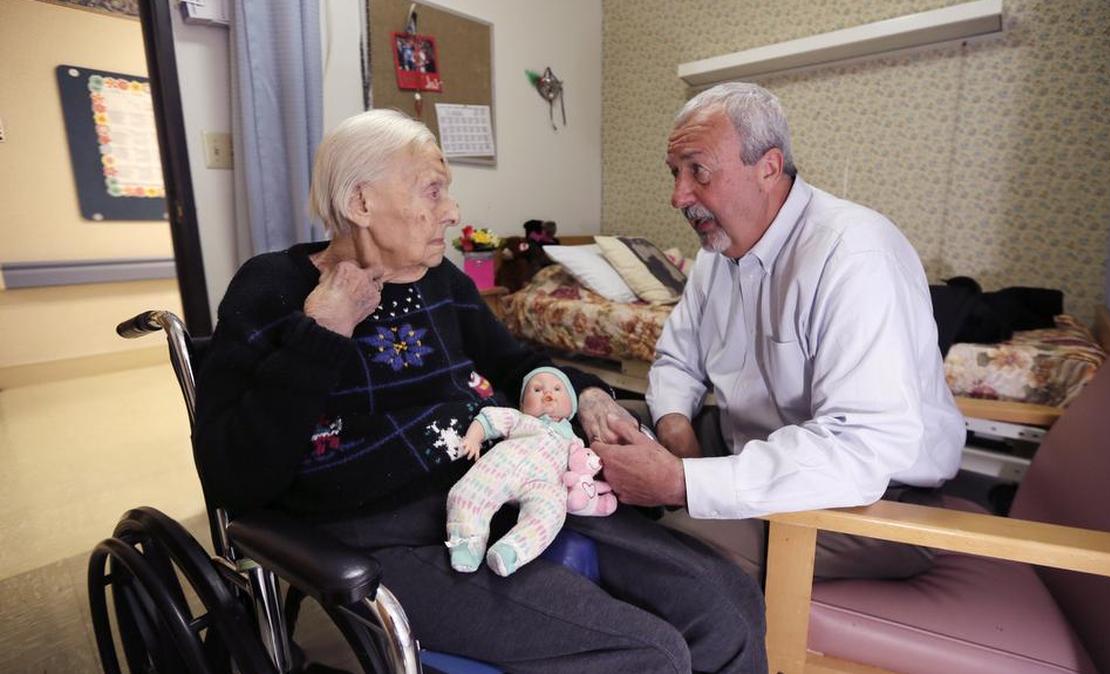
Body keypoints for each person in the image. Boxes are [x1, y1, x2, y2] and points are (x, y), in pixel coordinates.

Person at [194, 108, 765, 673]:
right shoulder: (273, 289)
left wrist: (588, 394)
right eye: (433, 190)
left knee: (727, 605)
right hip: (383, 534)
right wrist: (322, 332)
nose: (453, 211)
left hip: (508, 484)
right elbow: (233, 477)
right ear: (360, 202)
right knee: (648, 655)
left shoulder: (443, 281)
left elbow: (517, 364)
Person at [591, 82, 965, 581]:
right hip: (749, 448)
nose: (678, 196)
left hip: (866, 495)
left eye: (698, 171)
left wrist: (682, 482)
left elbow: (861, 448)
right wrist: (675, 428)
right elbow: (678, 360)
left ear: (767, 167)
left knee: (650, 545)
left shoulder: (854, 254)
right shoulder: (716, 256)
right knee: (593, 430)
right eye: (674, 173)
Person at [446, 367, 615, 577]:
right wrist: (473, 438)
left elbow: (582, 470)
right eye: (536, 389)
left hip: (544, 483)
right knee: (467, 492)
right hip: (500, 466)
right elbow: (488, 421)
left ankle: (512, 550)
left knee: (552, 513)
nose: (548, 393)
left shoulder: (575, 442)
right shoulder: (519, 418)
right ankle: (466, 543)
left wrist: (586, 496)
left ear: (571, 407)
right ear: (523, 404)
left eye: (557, 389)